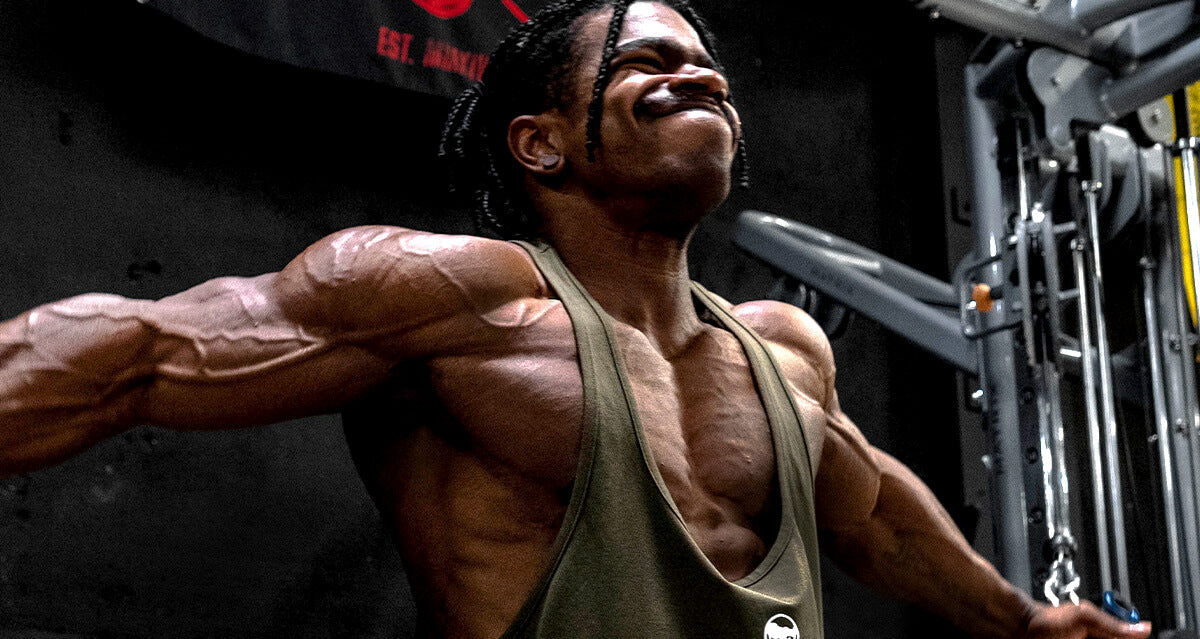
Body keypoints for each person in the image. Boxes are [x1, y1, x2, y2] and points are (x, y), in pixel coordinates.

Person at [0, 0, 1156, 637]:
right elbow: (139, 356)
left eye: (710, 68)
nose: (701, 79)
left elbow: (879, 522)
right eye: (649, 63)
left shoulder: (784, 351)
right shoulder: (456, 298)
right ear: (541, 141)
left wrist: (1019, 623)